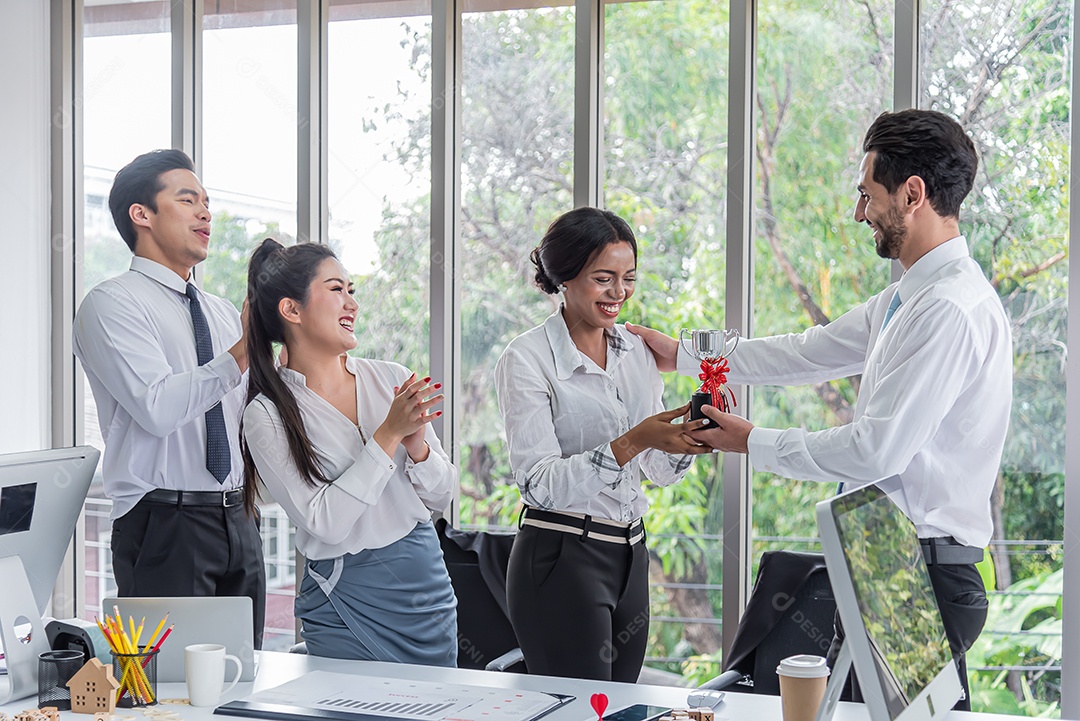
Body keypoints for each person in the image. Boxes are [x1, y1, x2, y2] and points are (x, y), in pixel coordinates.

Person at [628, 109, 1011, 708]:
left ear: (913, 194)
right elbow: (808, 354)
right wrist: (684, 355)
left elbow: (873, 449)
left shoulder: (948, 310)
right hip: (891, 565)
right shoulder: (909, 298)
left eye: (868, 194)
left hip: (922, 578)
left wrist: (749, 440)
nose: (859, 212)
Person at [494, 207, 712, 682]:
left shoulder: (636, 351)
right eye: (604, 278)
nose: (619, 293)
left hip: (631, 553)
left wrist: (689, 440)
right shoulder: (527, 359)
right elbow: (539, 484)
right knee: (579, 714)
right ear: (565, 277)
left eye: (629, 278)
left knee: (618, 709)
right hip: (560, 555)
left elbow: (655, 467)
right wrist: (631, 441)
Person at [73, 149, 265, 644]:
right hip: (163, 522)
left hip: (238, 518)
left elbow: (246, 415)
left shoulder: (222, 312)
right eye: (187, 199)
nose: (206, 213)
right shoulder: (111, 303)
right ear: (142, 215)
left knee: (243, 681)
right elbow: (157, 407)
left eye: (207, 201)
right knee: (167, 693)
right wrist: (241, 353)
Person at [241, 239, 459, 665]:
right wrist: (388, 435)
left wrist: (417, 450)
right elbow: (325, 522)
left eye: (352, 290)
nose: (352, 304)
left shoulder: (391, 379)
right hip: (345, 597)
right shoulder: (266, 414)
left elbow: (443, 495)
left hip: (426, 589)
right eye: (336, 289)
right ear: (292, 310)